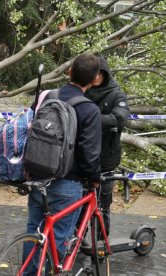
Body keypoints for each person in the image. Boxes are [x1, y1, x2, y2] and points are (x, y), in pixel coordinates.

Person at [24, 53, 102, 272]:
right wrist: (95, 178)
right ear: (95, 79)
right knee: (57, 241)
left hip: (38, 176)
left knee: (33, 235)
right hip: (67, 183)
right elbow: (89, 154)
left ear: (69, 71)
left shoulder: (47, 97)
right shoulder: (90, 110)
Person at [84, 56, 130, 237]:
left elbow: (120, 119)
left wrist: (89, 119)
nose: (95, 77)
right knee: (81, 203)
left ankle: (102, 241)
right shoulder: (83, 92)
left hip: (106, 158)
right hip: (83, 156)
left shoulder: (117, 95)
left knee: (103, 204)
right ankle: (78, 241)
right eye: (92, 73)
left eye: (99, 73)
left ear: (105, 73)